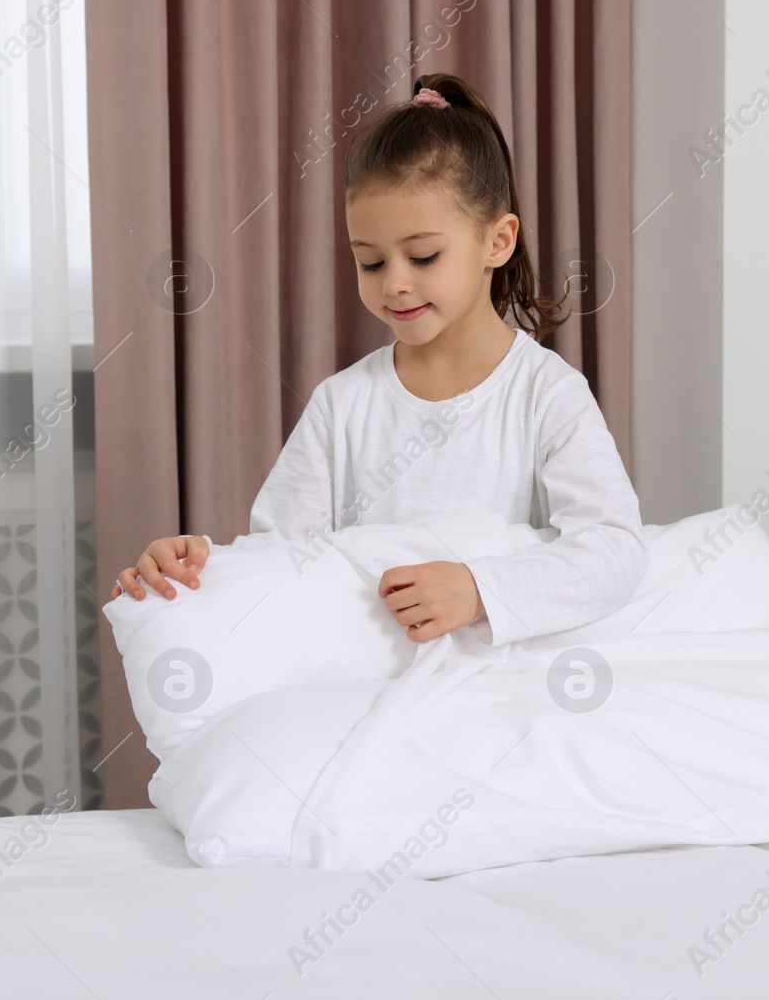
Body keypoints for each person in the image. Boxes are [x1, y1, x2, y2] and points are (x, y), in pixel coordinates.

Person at [110, 72, 650, 648]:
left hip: (503, 685)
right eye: (370, 262)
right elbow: (284, 558)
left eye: (423, 256)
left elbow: (613, 550)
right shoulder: (341, 404)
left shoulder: (547, 394)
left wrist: (478, 589)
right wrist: (199, 567)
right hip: (371, 678)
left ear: (498, 241)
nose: (394, 284)